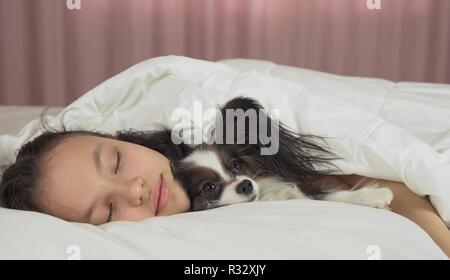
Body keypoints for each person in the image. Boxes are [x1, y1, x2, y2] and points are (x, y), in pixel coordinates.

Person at [1, 120, 449, 258]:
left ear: (123, 140)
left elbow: (376, 170)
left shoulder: (209, 134)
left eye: (116, 161)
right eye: (107, 212)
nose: (134, 189)